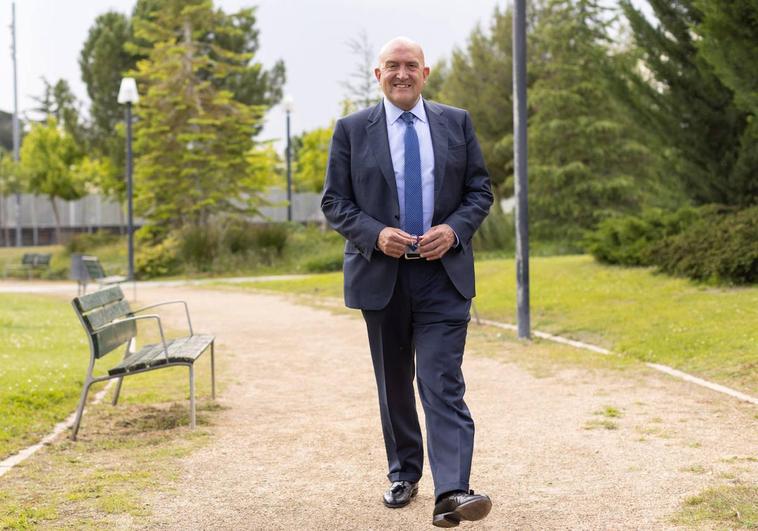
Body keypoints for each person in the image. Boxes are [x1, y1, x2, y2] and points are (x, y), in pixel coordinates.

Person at [321, 36, 493, 528]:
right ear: (377, 75)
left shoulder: (456, 122)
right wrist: (376, 235)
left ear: (426, 72)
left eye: (410, 66)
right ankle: (405, 472)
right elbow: (334, 202)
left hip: (444, 275)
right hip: (382, 277)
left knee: (440, 380)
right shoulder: (352, 130)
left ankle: (454, 491)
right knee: (395, 382)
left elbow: (480, 189)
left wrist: (454, 230)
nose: (402, 73)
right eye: (392, 66)